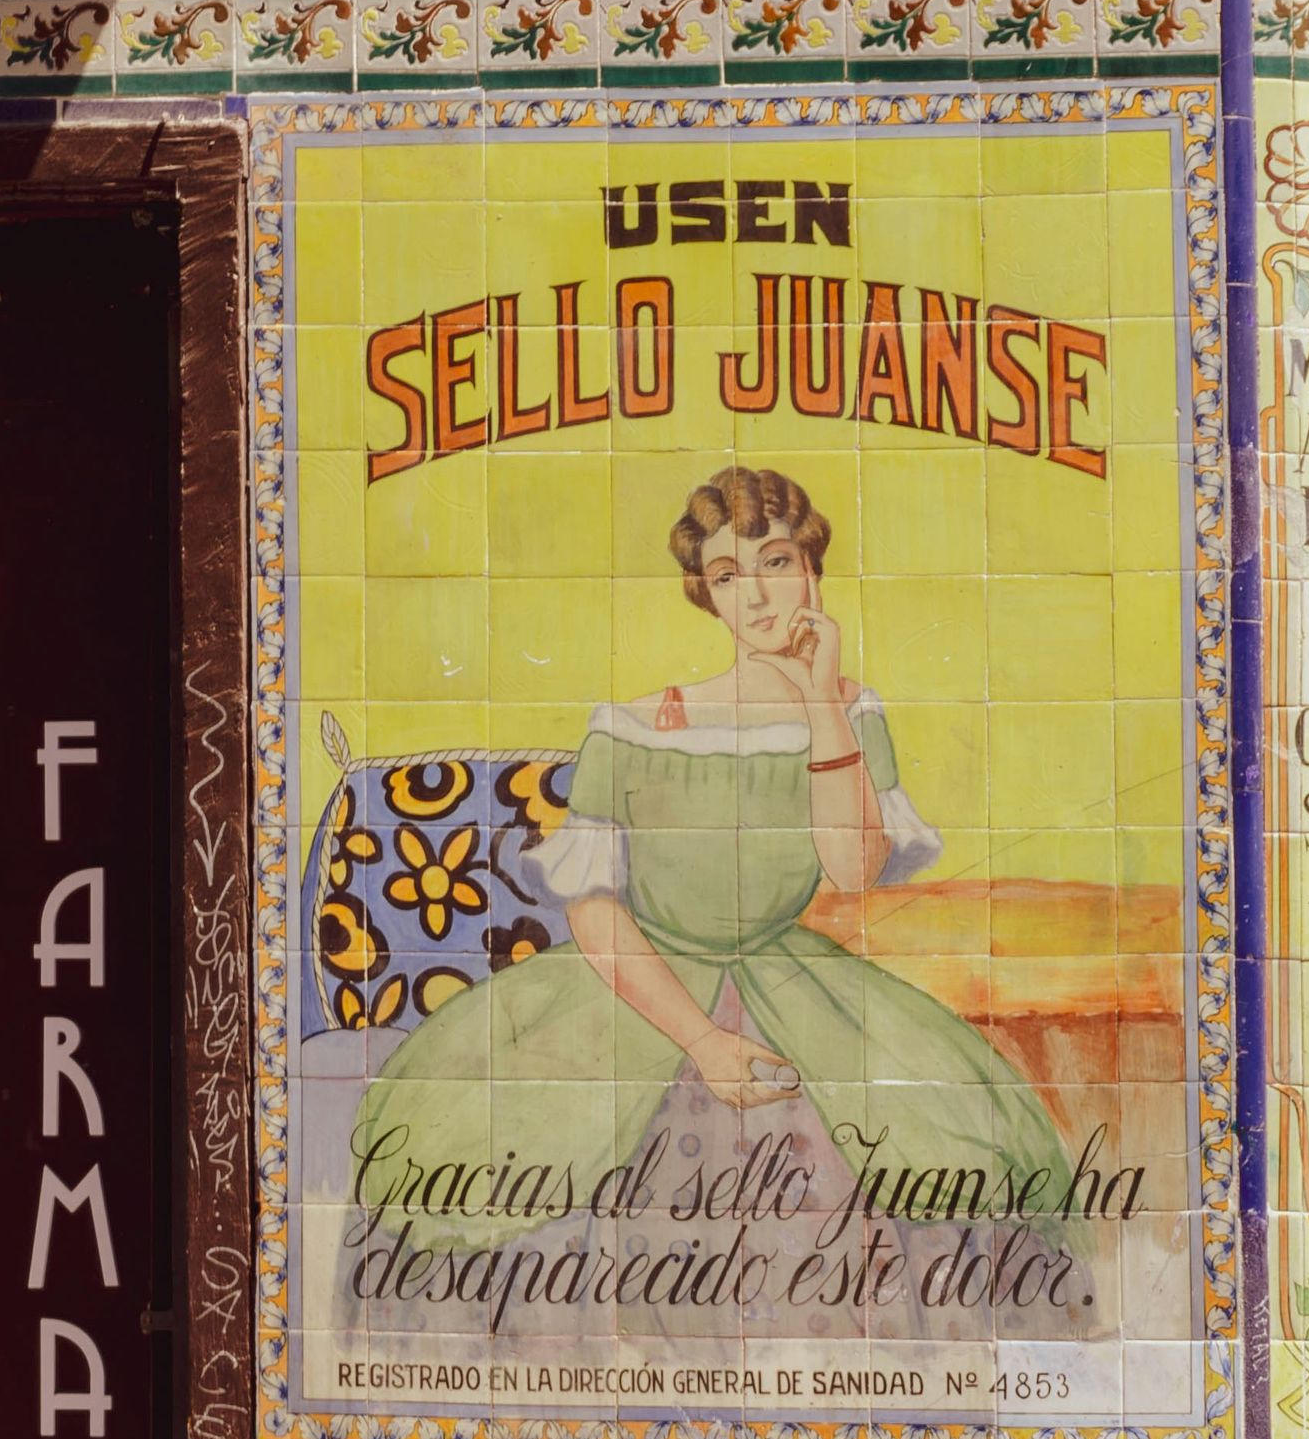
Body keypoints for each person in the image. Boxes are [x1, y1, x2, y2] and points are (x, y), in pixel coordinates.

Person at [351, 465, 1075, 1270]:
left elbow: (851, 869)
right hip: (638, 983)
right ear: (706, 592)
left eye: (777, 562)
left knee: (954, 1150)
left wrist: (821, 701)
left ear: (812, 570)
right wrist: (701, 1040)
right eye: (730, 574)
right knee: (485, 1154)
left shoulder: (850, 713)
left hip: (792, 983)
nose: (758, 596)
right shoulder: (633, 726)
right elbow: (593, 910)